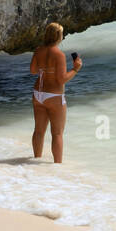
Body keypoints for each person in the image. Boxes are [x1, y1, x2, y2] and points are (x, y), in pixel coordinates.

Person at [29, 22, 81, 163]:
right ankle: (57, 167)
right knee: (57, 133)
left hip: (38, 94)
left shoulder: (38, 50)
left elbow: (33, 70)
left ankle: (35, 161)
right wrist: (75, 69)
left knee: (39, 131)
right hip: (54, 96)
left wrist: (44, 69)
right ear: (59, 36)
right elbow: (61, 80)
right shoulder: (59, 54)